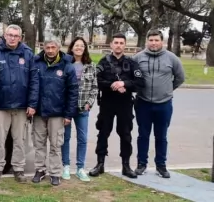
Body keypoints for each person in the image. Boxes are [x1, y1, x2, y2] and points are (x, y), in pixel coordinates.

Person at [0, 24, 39, 183]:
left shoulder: (28, 55)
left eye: (16, 35)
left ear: (20, 37)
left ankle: (18, 168)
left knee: (20, 140)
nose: (13, 38)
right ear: (4, 35)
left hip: (22, 107)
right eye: (10, 35)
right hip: (0, 106)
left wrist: (32, 104)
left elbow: (34, 81)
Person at [89, 33, 144, 179]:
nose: (118, 45)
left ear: (125, 45)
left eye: (121, 43)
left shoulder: (132, 63)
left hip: (125, 103)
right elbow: (97, 81)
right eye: (116, 42)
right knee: (103, 133)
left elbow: (140, 83)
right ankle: (100, 164)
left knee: (125, 134)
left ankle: (126, 166)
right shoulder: (103, 62)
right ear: (111, 45)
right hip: (107, 103)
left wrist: (124, 84)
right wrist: (113, 85)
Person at [132, 30, 185, 178]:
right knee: (143, 135)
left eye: (156, 40)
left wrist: (168, 90)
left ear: (162, 41)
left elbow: (180, 77)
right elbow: (131, 76)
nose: (153, 43)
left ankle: (161, 166)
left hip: (164, 104)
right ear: (147, 41)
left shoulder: (172, 58)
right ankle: (141, 164)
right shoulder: (138, 58)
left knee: (161, 136)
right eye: (151, 40)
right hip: (143, 103)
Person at [31, 39, 78, 186]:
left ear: (59, 48)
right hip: (39, 112)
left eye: (53, 47)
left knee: (56, 145)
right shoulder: (36, 63)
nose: (50, 50)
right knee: (39, 144)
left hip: (57, 113)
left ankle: (55, 172)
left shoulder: (67, 66)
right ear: (43, 48)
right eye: (48, 47)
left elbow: (73, 92)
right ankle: (40, 169)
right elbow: (32, 87)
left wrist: (68, 114)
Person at [61, 36, 98, 182]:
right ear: (72, 47)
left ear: (85, 48)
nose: (79, 48)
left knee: (82, 139)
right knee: (66, 138)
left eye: (82, 46)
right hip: (67, 109)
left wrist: (89, 103)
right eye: (76, 45)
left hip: (83, 108)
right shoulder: (65, 64)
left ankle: (80, 168)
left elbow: (95, 87)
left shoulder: (90, 66)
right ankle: (66, 166)